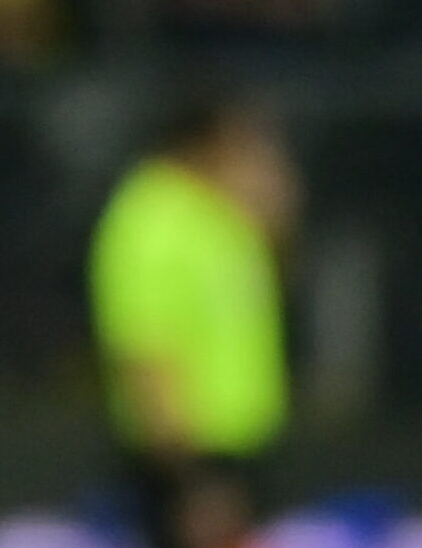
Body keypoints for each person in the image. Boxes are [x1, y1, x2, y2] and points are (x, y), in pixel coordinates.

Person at [90, 94, 297, 548]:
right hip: (192, 458)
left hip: (241, 447)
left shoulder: (218, 210)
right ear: (209, 142)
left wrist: (275, 209)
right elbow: (145, 351)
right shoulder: (152, 219)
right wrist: (190, 482)